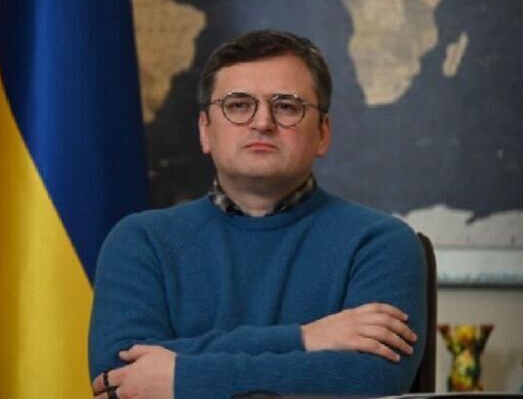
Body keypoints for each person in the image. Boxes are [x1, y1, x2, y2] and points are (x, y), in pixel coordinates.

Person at [89, 30, 427, 399]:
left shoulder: (380, 243)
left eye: (287, 106)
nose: (262, 122)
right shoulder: (141, 241)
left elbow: (372, 381)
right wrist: (305, 338)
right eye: (238, 105)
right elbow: (119, 379)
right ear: (205, 130)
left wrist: (181, 377)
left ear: (323, 133)